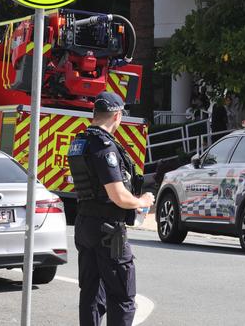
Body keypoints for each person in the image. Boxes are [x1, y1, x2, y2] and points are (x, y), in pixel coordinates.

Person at [67, 92, 154, 326]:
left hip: (85, 224)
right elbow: (118, 196)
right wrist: (143, 201)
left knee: (91, 294)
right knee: (122, 296)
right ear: (117, 115)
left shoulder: (80, 141)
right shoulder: (103, 146)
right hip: (108, 231)